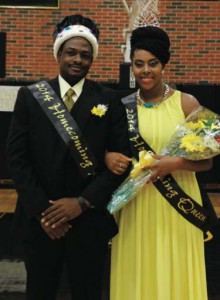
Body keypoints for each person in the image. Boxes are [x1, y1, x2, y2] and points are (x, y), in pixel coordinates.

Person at [6, 14, 131, 300]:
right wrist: (44, 213)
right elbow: (17, 158)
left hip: (89, 218)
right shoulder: (31, 96)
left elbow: (120, 163)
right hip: (42, 221)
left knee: (87, 292)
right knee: (40, 291)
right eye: (71, 52)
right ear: (58, 54)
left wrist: (81, 202)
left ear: (92, 60)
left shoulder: (109, 100)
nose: (78, 59)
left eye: (85, 55)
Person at [105, 26, 213, 300]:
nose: (145, 71)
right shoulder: (122, 106)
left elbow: (208, 162)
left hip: (178, 204)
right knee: (136, 267)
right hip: (136, 204)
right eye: (139, 64)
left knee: (175, 266)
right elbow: (108, 149)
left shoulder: (187, 103)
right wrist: (107, 156)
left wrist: (175, 163)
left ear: (164, 64)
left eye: (153, 63)